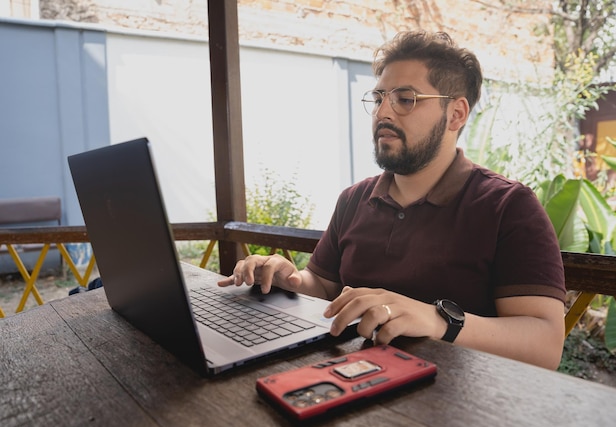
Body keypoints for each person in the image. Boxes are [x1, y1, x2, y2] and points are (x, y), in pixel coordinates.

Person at [218, 31, 566, 370]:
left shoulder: (508, 206)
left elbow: (545, 345)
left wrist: (439, 320)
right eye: (379, 97)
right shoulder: (354, 200)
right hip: (347, 382)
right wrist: (287, 279)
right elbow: (323, 286)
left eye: (405, 98)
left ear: (456, 114)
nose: (383, 112)